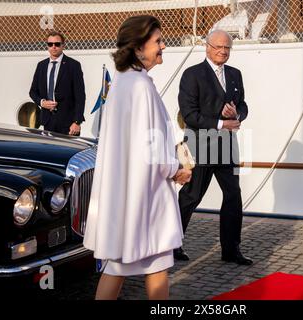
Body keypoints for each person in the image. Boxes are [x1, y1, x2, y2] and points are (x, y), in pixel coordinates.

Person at [83, 15, 192, 300]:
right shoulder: (141, 87)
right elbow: (151, 146)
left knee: (122, 266)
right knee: (151, 264)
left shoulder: (123, 82)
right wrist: (176, 169)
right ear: (138, 46)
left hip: (130, 195)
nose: (163, 46)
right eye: (157, 41)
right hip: (147, 196)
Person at [174, 30, 252, 265]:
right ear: (207, 47)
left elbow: (243, 106)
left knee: (233, 196)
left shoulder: (235, 74)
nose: (223, 51)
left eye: (227, 47)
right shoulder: (192, 75)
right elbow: (189, 114)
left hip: (228, 148)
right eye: (218, 47)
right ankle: (172, 244)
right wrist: (221, 122)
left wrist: (236, 113)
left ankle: (231, 250)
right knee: (191, 197)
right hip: (200, 147)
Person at [29, 31, 85, 135]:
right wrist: (42, 103)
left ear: (63, 45)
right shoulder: (41, 66)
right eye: (50, 44)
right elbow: (33, 92)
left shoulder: (73, 65)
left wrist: (77, 122)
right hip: (48, 121)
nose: (53, 47)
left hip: (68, 124)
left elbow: (80, 96)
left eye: (57, 44)